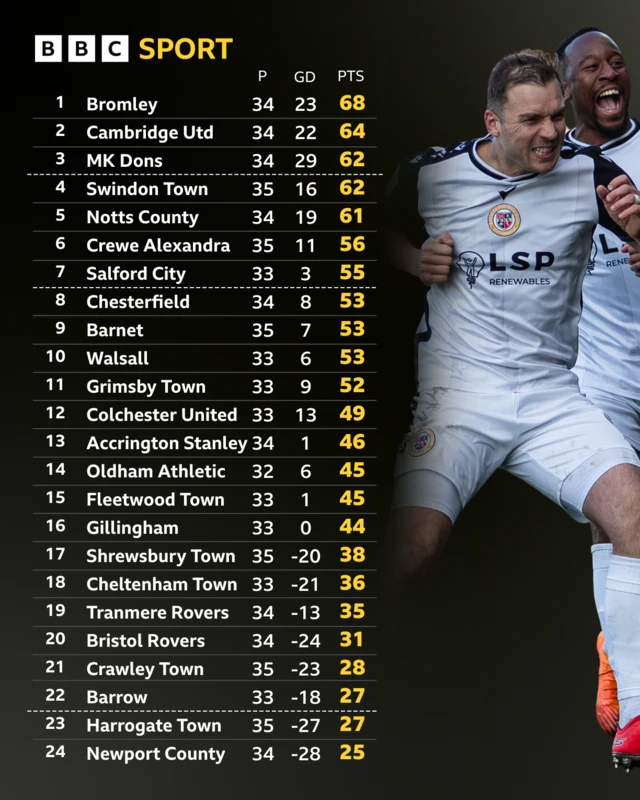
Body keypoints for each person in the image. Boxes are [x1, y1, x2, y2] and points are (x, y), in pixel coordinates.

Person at [386, 52, 640, 771]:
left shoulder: (593, 176)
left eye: (558, 115)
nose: (552, 132)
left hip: (552, 399)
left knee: (633, 513)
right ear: (492, 122)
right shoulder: (430, 174)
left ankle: (636, 713)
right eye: (532, 120)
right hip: (458, 400)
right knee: (413, 550)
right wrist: (411, 260)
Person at [554, 27, 640, 744]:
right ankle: (629, 686)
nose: (609, 73)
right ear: (566, 88)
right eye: (591, 67)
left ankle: (616, 640)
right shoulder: (540, 164)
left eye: (616, 62)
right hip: (599, 376)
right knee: (616, 518)